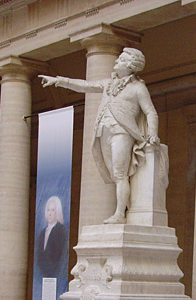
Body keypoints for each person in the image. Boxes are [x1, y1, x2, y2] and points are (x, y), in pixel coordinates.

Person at [39, 47, 160, 224]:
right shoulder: (108, 84)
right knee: (114, 174)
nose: (116, 61)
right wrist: (58, 81)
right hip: (103, 132)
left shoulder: (138, 88)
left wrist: (153, 134)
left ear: (130, 64)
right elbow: (85, 86)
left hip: (122, 132)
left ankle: (119, 214)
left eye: (121, 59)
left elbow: (150, 112)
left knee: (120, 174)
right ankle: (120, 211)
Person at [35, 195, 67, 277]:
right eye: (48, 210)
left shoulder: (61, 230)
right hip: (42, 275)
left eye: (53, 210)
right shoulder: (42, 233)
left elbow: (62, 256)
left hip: (56, 275)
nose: (49, 213)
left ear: (57, 212)